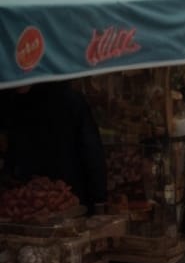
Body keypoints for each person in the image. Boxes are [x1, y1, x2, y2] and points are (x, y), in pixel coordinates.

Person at [0, 81, 106, 209]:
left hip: (31, 196)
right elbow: (92, 150)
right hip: (67, 196)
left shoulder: (13, 102)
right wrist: (98, 199)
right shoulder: (70, 99)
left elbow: (91, 149)